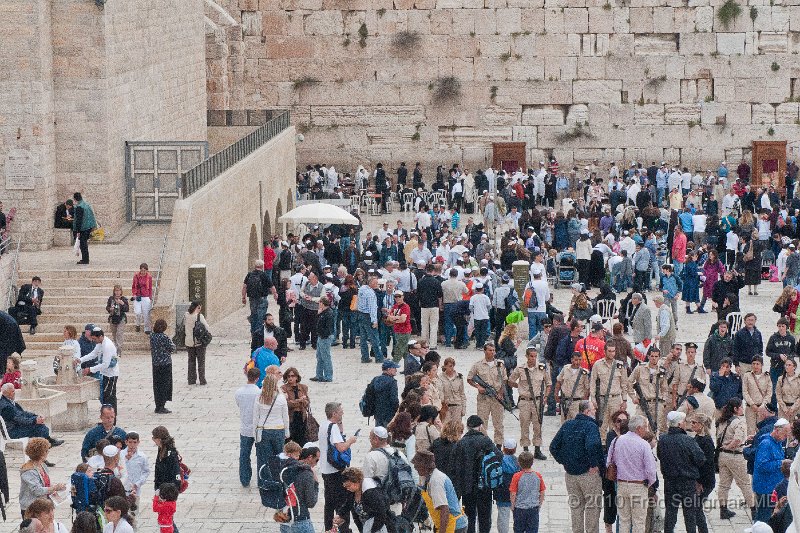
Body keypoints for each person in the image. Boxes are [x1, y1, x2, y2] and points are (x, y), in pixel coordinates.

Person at [550, 400, 604, 533]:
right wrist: (594, 465)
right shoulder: (591, 427)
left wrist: (565, 462)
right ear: (586, 412)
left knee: (576, 508)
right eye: (593, 410)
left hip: (571, 475)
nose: (595, 412)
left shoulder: (567, 424)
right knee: (592, 508)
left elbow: (553, 447)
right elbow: (592, 446)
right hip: (588, 475)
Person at [656, 411, 705, 533]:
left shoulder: (662, 440)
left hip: (670, 481)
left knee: (670, 514)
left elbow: (660, 455)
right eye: (683, 421)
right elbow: (700, 459)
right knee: (690, 516)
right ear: (679, 424)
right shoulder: (688, 440)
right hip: (687, 482)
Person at [452, 415, 496, 533]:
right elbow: (498, 457)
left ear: (468, 427)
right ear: (481, 426)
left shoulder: (461, 443)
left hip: (467, 487)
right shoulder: (485, 441)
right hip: (484, 485)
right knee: (485, 517)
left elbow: (455, 466)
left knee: (469, 517)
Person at [318, 402, 358, 532]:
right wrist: (351, 441)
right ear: (334, 413)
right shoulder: (332, 427)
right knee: (342, 502)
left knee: (329, 503)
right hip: (335, 471)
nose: (343, 413)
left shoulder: (324, 425)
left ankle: (329, 528)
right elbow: (341, 448)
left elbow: (339, 434)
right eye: (340, 411)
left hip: (325, 469)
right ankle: (344, 529)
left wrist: (340, 422)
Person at [411, 450, 468, 533]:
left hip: (453, 527)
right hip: (445, 524)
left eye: (417, 465)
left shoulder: (436, 481)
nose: (415, 467)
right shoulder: (428, 477)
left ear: (425, 466)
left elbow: (444, 509)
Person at [509, 348, 550, 458]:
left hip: (537, 401)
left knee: (538, 425)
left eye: (535, 356)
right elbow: (510, 381)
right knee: (524, 425)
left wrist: (545, 396)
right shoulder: (520, 368)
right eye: (531, 356)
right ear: (527, 356)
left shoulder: (541, 368)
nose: (533, 358)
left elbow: (548, 383)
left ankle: (537, 449)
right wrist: (520, 387)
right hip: (525, 401)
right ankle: (525, 449)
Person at [467, 343, 507, 445]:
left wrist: (500, 393)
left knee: (498, 423)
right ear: (484, 351)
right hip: (483, 398)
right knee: (482, 423)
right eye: (490, 350)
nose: (492, 352)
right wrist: (478, 386)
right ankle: (483, 443)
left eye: (493, 350)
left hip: (496, 398)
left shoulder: (500, 364)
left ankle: (498, 445)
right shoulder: (478, 365)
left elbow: (504, 380)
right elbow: (469, 378)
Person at [754, 417, 792, 522]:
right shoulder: (766, 444)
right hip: (765, 487)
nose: (785, 437)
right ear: (776, 430)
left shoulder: (777, 442)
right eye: (784, 434)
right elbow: (762, 466)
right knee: (764, 517)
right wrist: (781, 463)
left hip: (773, 485)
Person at [335, 467, 394, 533]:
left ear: (356, 481)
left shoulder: (371, 492)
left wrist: (372, 530)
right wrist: (340, 515)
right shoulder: (352, 490)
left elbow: (381, 514)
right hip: (365, 526)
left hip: (378, 527)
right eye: (345, 486)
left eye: (348, 485)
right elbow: (348, 504)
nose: (347, 488)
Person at [253, 374, 290, 478]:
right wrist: (287, 432)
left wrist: (254, 434)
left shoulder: (259, 398)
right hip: (278, 429)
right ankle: (278, 479)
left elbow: (255, 417)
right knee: (279, 457)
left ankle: (264, 480)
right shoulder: (281, 398)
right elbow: (285, 417)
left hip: (264, 431)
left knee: (263, 458)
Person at [18, 438, 65, 518]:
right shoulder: (28, 471)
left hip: (42, 505)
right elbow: (37, 490)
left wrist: (57, 488)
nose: (48, 452)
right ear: (40, 453)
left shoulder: (42, 465)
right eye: (46, 451)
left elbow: (46, 484)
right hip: (32, 509)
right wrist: (54, 488)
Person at [590, 344, 629, 442]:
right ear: (605, 351)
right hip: (602, 399)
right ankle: (602, 447)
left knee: (616, 425)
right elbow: (593, 382)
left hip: (616, 399)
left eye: (613, 351)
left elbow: (624, 384)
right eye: (610, 351)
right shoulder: (598, 364)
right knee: (602, 425)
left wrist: (624, 400)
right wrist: (593, 399)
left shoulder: (619, 365)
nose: (612, 353)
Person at [79, 327, 120, 412]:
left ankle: (112, 419)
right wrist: (80, 360)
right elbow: (93, 354)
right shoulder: (100, 343)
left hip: (111, 375)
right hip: (105, 374)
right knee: (105, 396)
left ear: (100, 336)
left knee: (110, 397)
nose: (93, 341)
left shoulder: (107, 346)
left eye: (94, 339)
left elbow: (106, 364)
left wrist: (90, 369)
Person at [628, 348, 668, 433]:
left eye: (656, 356)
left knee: (655, 430)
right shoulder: (640, 368)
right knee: (638, 428)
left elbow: (665, 389)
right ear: (648, 356)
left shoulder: (661, 371)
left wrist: (663, 402)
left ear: (659, 357)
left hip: (657, 404)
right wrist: (633, 397)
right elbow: (629, 382)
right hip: (643, 404)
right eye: (652, 356)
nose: (654, 358)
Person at [688, 413, 715, 533]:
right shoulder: (698, 437)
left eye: (694, 422)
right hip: (698, 478)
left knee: (697, 507)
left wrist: (699, 482)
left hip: (705, 481)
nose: (692, 424)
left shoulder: (706, 441)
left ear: (701, 425)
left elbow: (707, 465)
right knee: (696, 508)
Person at [235, 367, 261, 487]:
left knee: (244, 454)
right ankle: (261, 477)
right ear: (257, 378)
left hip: (244, 427)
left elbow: (239, 405)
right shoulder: (259, 392)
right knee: (260, 454)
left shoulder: (239, 392)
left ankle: (245, 478)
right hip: (258, 428)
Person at [509, 450, 546, 533]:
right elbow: (542, 492)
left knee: (518, 529)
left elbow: (513, 493)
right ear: (532, 462)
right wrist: (539, 504)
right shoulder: (538, 475)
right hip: (533, 508)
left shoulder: (516, 476)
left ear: (519, 463)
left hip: (520, 509)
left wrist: (512, 505)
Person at [242, 259, 276, 335]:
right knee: (261, 317)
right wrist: (275, 295)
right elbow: (272, 287)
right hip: (262, 299)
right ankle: (258, 333)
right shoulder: (264, 275)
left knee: (254, 315)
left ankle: (253, 332)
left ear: (255, 266)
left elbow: (244, 287)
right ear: (262, 266)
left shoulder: (249, 275)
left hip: (252, 299)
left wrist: (243, 297)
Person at [554, 351, 590, 421]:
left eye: (580, 360)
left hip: (577, 402)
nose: (578, 362)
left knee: (576, 425)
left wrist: (584, 402)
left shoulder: (584, 373)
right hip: (565, 401)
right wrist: (556, 393)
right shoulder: (565, 369)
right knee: (564, 424)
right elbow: (559, 382)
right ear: (571, 360)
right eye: (576, 360)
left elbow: (587, 388)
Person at [493, 438, 520, 533]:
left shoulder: (499, 460)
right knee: (517, 516)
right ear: (515, 449)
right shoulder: (518, 462)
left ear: (503, 448)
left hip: (502, 492)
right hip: (515, 493)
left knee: (503, 516)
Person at [121, 432, 150, 516]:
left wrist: (138, 483)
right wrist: (126, 459)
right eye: (130, 442)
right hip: (122, 488)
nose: (132, 445)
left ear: (138, 442)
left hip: (135, 489)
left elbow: (146, 471)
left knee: (133, 513)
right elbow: (117, 469)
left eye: (134, 442)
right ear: (126, 442)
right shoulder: (121, 454)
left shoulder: (142, 456)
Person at [149, 319, 175, 414]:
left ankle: (157, 405)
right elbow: (172, 348)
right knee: (164, 385)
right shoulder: (164, 337)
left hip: (155, 364)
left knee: (157, 385)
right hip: (165, 364)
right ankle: (162, 406)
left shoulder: (152, 336)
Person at [743, 357, 773, 435]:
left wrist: (763, 405)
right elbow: (745, 392)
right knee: (750, 431)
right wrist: (752, 404)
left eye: (757, 364)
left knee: (762, 431)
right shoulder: (747, 375)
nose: (755, 366)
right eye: (753, 363)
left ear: (762, 365)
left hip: (762, 408)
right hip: (750, 407)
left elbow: (769, 393)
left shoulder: (767, 376)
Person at [281, 367, 311, 446]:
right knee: (290, 441)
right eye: (288, 376)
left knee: (302, 441)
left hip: (302, 417)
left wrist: (299, 402)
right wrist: (300, 401)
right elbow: (287, 404)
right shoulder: (283, 388)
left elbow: (307, 402)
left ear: (297, 377)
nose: (290, 378)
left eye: (292, 376)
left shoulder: (303, 387)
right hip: (291, 418)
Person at [366, 360, 400, 428]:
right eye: (394, 368)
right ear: (389, 369)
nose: (396, 370)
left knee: (379, 433)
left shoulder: (375, 379)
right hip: (389, 414)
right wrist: (397, 410)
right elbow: (394, 399)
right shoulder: (392, 382)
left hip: (377, 413)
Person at [184, 301, 210, 386]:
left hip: (188, 342)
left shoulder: (186, 315)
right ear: (198, 307)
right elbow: (207, 327)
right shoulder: (199, 316)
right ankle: (202, 380)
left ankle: (191, 380)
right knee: (201, 362)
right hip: (199, 343)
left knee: (191, 361)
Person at [357, 276, 382, 363]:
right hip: (368, 316)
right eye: (375, 283)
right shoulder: (371, 293)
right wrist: (374, 321)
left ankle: (365, 357)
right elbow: (372, 308)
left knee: (363, 338)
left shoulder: (362, 288)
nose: (377, 285)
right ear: (370, 283)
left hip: (360, 314)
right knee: (374, 337)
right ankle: (379, 357)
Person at [314, 295, 336, 381]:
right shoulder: (323, 312)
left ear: (322, 304)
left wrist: (323, 335)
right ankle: (319, 375)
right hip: (321, 337)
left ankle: (328, 376)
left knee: (326, 357)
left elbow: (329, 328)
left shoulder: (329, 313)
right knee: (319, 356)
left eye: (320, 302)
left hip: (325, 338)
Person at [440, 357, 467, 423]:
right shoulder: (440, 377)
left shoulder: (459, 377)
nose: (452, 368)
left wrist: (463, 408)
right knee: (446, 428)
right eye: (450, 366)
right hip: (446, 406)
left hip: (457, 405)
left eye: (453, 366)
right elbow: (440, 393)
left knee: (456, 428)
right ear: (445, 366)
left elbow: (462, 393)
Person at [72, 192, 97, 265]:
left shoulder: (79, 207)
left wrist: (78, 231)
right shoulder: (86, 204)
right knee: (84, 243)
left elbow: (79, 220)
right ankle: (85, 258)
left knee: (83, 244)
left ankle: (85, 260)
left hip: (83, 228)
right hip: (89, 226)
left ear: (75, 199)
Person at [0, 310, 25, 375]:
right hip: (10, 325)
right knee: (8, 350)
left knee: (5, 351)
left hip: (9, 327)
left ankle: (4, 372)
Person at [131, 263, 153, 334]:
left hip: (146, 296)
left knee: (146, 314)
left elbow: (150, 288)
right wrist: (134, 294)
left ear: (147, 270)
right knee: (138, 312)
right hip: (137, 296)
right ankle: (138, 324)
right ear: (140, 270)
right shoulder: (136, 276)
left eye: (144, 270)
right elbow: (134, 286)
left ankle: (147, 328)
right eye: (142, 270)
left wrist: (150, 297)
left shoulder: (149, 277)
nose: (143, 272)